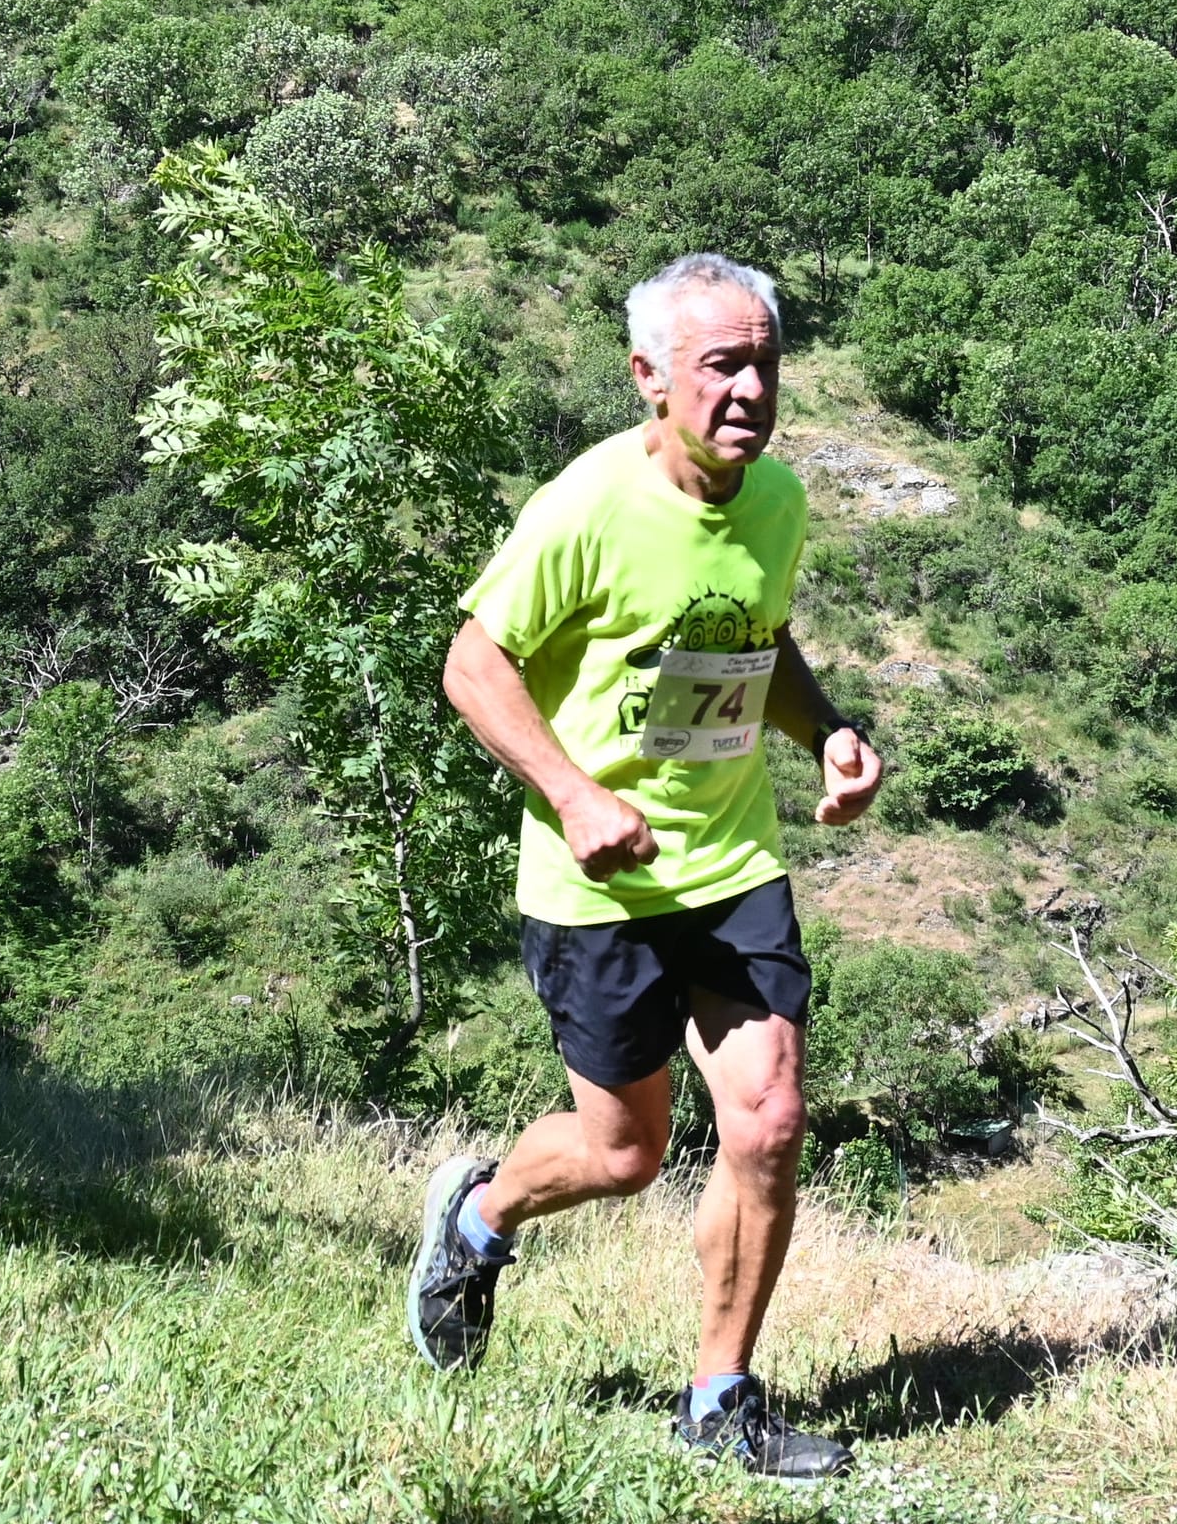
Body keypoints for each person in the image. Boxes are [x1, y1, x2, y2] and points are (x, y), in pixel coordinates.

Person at [407, 251, 883, 1481]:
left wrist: (827, 732)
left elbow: (759, 642)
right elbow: (471, 664)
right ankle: (478, 1215)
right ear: (647, 376)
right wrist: (574, 796)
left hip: (731, 862)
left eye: (764, 364)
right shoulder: (585, 506)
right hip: (598, 888)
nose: (749, 390)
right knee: (622, 1152)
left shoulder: (774, 499)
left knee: (768, 1120)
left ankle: (719, 1398)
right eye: (721, 365)